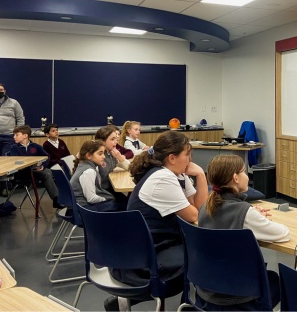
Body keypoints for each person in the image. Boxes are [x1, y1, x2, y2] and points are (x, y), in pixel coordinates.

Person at [104, 131, 208, 312]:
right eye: (187, 154)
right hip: (144, 259)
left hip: (147, 249)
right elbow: (195, 216)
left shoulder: (177, 174)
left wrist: (200, 175)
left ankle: (189, 305)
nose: (191, 159)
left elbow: (200, 207)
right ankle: (191, 307)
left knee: (198, 252)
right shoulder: (162, 177)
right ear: (172, 158)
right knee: (205, 258)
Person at [197, 154, 290, 310]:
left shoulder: (205, 206)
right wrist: (259, 219)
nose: (247, 176)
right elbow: (283, 233)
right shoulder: (244, 212)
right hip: (238, 293)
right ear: (236, 178)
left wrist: (252, 214)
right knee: (277, 281)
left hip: (208, 286)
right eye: (244, 172)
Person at [6, 125, 63, 209]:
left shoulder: (35, 147)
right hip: (21, 173)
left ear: (25, 136)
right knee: (47, 174)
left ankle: (59, 197)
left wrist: (43, 166)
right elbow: (17, 162)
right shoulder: (13, 148)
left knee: (51, 172)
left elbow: (46, 156)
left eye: (17, 135)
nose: (14, 137)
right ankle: (56, 199)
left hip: (34, 171)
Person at [69, 140, 122, 212]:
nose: (103, 157)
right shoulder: (88, 171)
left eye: (104, 153)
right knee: (121, 207)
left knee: (119, 202)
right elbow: (91, 199)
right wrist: (106, 198)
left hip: (82, 206)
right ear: (88, 156)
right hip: (84, 209)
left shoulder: (85, 165)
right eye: (100, 154)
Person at [94, 125, 131, 207]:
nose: (116, 142)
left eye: (116, 139)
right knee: (126, 205)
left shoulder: (111, 152)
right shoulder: (97, 156)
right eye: (112, 139)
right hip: (101, 192)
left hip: (109, 188)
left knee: (129, 202)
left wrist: (120, 158)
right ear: (102, 141)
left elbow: (129, 167)